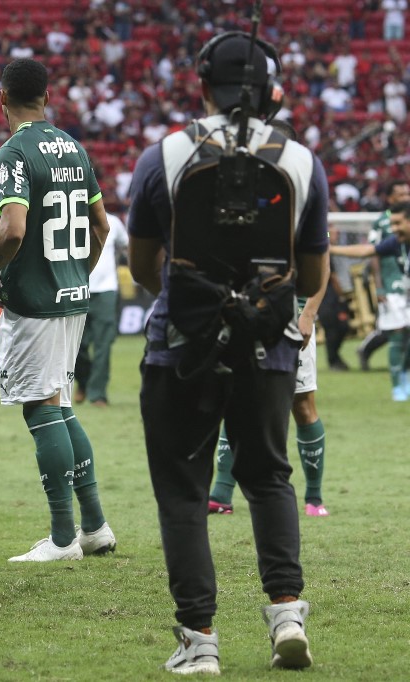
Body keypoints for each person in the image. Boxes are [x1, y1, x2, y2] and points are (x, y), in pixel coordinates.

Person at [128, 33, 328, 673]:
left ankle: (199, 641)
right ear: (272, 91)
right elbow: (313, 272)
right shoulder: (301, 160)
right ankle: (286, 614)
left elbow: (141, 266)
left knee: (184, 495)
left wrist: (196, 301)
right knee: (270, 478)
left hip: (180, 349)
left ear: (202, 85)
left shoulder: (162, 155)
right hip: (269, 349)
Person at [0, 58, 116, 563]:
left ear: (3, 99)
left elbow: (12, 229)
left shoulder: (15, 151)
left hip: (35, 301)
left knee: (41, 408)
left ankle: (63, 539)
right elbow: (101, 226)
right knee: (60, 405)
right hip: (72, 295)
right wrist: (79, 273)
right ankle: (95, 526)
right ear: (46, 95)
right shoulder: (74, 148)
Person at [211, 119, 331, 519]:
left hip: (291, 316)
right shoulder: (241, 193)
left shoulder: (303, 194)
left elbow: (321, 262)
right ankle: (221, 493)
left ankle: (314, 497)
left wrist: (309, 313)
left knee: (301, 403)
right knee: (234, 395)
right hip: (245, 313)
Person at [331, 202, 410, 398]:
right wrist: (331, 249)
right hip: (400, 293)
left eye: (398, 223)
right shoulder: (397, 243)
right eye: (392, 224)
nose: (394, 229)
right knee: (398, 334)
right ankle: (399, 385)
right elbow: (367, 251)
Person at [356, 180, 410, 388]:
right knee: (394, 327)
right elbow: (373, 254)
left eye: (407, 193)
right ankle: (367, 351)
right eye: (400, 194)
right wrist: (378, 285)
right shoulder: (382, 222)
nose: (405, 197)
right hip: (390, 280)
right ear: (390, 198)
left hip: (405, 279)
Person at [74, 212, 128, 407]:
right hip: (76, 287)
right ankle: (84, 381)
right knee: (76, 346)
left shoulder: (113, 221)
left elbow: (125, 245)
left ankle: (98, 393)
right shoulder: (71, 216)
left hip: (106, 289)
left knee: (103, 343)